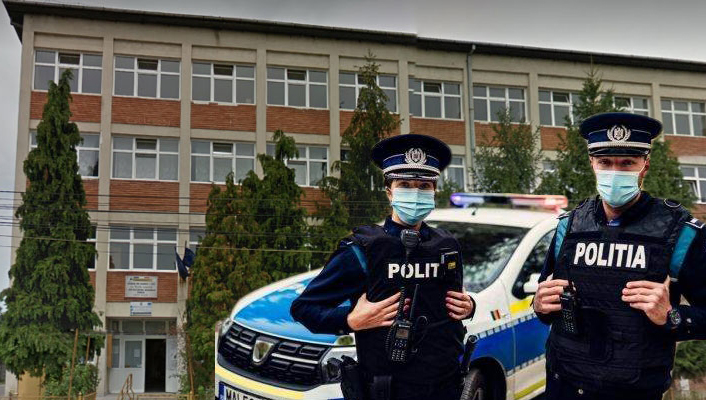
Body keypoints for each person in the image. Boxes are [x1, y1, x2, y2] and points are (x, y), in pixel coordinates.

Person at [533, 112, 706, 400]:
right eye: (605, 162)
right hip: (564, 385)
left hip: (634, 391)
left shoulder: (682, 232)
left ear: (645, 165)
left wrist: (672, 315)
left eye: (627, 163)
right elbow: (546, 305)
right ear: (592, 163)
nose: (615, 172)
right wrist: (539, 304)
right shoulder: (568, 226)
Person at [291, 134, 475, 400]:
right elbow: (303, 309)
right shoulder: (362, 250)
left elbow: (450, 305)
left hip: (445, 386)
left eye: (424, 186)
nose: (416, 193)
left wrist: (469, 307)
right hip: (388, 390)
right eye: (405, 185)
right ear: (389, 191)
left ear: (434, 191)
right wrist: (350, 320)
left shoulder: (446, 245)